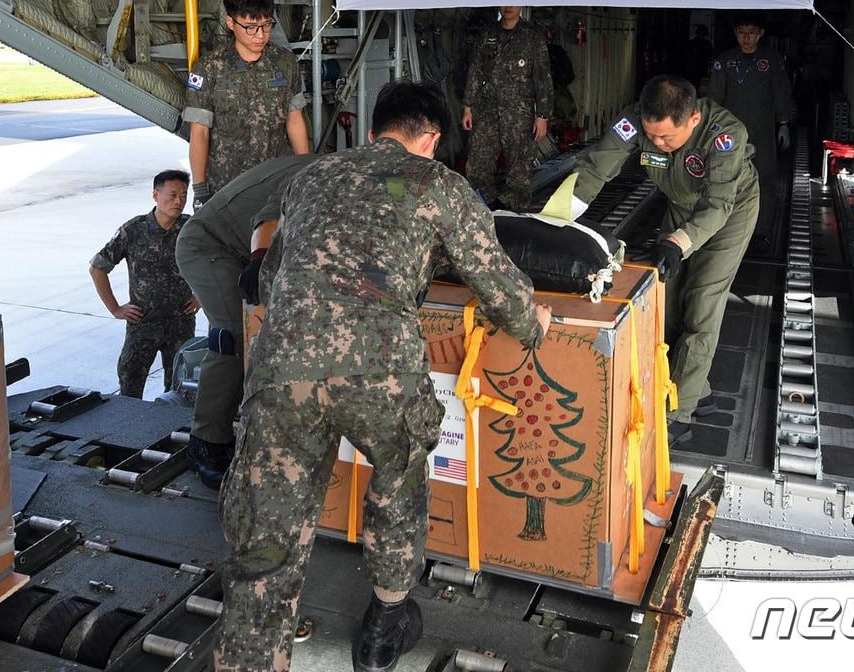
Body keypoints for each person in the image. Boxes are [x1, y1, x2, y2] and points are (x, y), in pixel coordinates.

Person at [215, 81, 551, 672]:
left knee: (267, 529)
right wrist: (535, 325)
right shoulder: (441, 186)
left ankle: (248, 655)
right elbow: (499, 284)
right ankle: (385, 626)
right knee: (398, 476)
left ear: (373, 131)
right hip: (380, 371)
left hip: (284, 367)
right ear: (433, 140)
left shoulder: (311, 179)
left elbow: (272, 279)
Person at [552, 75, 758, 445]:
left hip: (729, 213)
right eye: (652, 136)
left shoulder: (726, 134)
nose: (657, 143)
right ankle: (698, 386)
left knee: (702, 303)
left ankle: (679, 412)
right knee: (665, 297)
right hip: (681, 205)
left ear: (693, 119)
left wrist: (678, 242)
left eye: (666, 138)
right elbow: (598, 165)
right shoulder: (637, 121)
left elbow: (717, 205)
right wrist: (558, 219)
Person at [174, 153, 318, 486]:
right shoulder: (318, 173)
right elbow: (267, 217)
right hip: (209, 245)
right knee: (232, 336)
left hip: (240, 246)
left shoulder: (335, 169)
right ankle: (206, 443)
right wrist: (258, 260)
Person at [182, 0, 310, 211]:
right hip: (228, 187)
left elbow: (295, 120)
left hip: (277, 181)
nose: (260, 35)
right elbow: (199, 132)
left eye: (266, 25)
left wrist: (305, 172)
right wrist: (200, 190)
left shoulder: (284, 62)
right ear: (231, 23)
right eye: (251, 27)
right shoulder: (210, 68)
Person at [89, 170, 200, 399]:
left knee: (180, 391)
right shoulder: (134, 230)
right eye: (172, 195)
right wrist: (115, 309)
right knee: (130, 388)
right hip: (143, 324)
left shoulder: (192, 228)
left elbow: (213, 262)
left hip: (180, 323)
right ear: (155, 195)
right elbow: (98, 268)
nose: (178, 201)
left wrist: (200, 296)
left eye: (183, 195)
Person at [706, 16, 793, 246]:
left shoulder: (772, 61)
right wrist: (710, 130)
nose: (746, 38)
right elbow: (714, 98)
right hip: (729, 134)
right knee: (726, 178)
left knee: (764, 179)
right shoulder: (724, 62)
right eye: (741, 32)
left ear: (760, 33)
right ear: (735, 33)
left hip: (762, 130)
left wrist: (784, 123)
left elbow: (781, 92)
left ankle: (760, 230)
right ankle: (726, 228)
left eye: (751, 32)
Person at [461, 6, 553, 210]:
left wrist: (543, 115)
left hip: (519, 112)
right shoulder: (488, 35)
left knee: (519, 167)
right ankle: (482, 207)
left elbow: (542, 78)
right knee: (478, 162)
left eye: (514, 1)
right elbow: (475, 71)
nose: (508, 7)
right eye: (504, 1)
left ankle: (516, 210)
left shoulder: (532, 38)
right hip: (486, 110)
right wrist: (468, 106)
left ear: (521, 5)